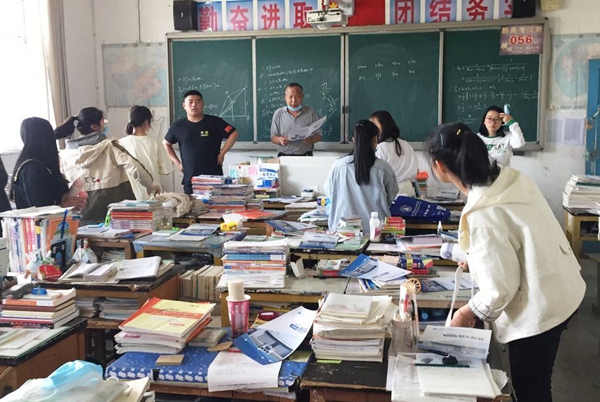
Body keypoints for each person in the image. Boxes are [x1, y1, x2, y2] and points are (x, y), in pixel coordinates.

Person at [425, 122, 585, 402]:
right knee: (539, 380)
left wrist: (465, 313)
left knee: (531, 389)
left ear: (439, 166)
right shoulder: (510, 178)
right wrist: (476, 259)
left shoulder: (483, 213)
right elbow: (514, 238)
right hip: (563, 284)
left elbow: (500, 289)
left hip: (541, 308)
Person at [56, 107, 155, 224]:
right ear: (94, 126)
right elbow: (134, 166)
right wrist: (150, 186)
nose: (105, 125)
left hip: (81, 216)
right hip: (114, 212)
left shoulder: (64, 155)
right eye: (103, 121)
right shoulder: (110, 146)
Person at [325, 120, 398, 232]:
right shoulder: (383, 168)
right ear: (375, 139)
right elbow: (390, 197)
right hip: (375, 232)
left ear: (354, 139)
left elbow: (330, 193)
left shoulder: (338, 166)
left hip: (343, 231)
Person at [163, 90, 239, 195]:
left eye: (197, 101)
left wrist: (222, 153)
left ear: (203, 104)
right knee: (192, 205)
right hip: (191, 179)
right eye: (190, 102)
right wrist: (178, 163)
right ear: (184, 105)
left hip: (214, 178)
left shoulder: (215, 122)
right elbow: (166, 143)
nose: (194, 105)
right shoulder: (178, 126)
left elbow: (234, 134)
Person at [11, 117, 86, 211]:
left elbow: (53, 198)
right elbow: (39, 209)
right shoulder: (32, 168)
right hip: (43, 220)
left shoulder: (43, 165)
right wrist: (64, 205)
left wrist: (70, 198)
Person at [119, 106, 173, 200]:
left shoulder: (121, 143)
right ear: (147, 122)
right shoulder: (155, 143)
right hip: (153, 194)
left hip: (129, 197)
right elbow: (166, 170)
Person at [370, 110, 418, 196]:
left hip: (390, 192)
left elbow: (377, 175)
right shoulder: (405, 144)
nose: (371, 128)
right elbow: (415, 170)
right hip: (409, 190)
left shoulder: (380, 148)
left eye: (374, 125)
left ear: (384, 126)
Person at [271, 83, 322, 157]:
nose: (294, 100)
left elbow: (318, 135)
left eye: (297, 97)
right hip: (284, 156)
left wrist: (311, 140)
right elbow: (273, 138)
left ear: (302, 97)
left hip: (305, 156)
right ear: (285, 97)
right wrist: (280, 140)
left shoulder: (310, 113)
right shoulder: (279, 113)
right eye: (290, 97)